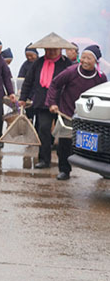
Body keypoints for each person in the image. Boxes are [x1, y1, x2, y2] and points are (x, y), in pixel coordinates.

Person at [47, 45, 106, 180]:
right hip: (68, 112)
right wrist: (53, 103)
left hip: (89, 116)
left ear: (96, 61)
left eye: (88, 58)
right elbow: (55, 84)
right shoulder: (71, 71)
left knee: (98, 143)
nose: (84, 61)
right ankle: (64, 170)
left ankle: (102, 169)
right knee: (64, 143)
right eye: (83, 57)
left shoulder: (101, 77)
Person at [19, 34, 74, 169]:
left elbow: (73, 82)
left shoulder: (67, 63)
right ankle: (44, 159)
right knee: (43, 129)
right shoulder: (38, 62)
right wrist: (22, 98)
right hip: (43, 101)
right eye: (48, 50)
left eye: (54, 50)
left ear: (60, 50)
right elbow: (28, 81)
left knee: (63, 133)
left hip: (62, 103)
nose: (51, 52)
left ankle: (65, 162)